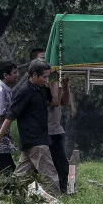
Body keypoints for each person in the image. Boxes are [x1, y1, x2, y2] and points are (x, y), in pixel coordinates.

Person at [0, 59, 60, 196]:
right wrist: (0, 135)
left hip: (32, 142)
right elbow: (11, 115)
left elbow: (55, 101)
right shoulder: (25, 91)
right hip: (36, 142)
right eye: (44, 77)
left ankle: (4, 200)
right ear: (34, 75)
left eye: (48, 77)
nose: (47, 80)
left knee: (19, 179)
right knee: (50, 176)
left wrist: (55, 78)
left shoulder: (40, 89)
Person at [30, 47, 72, 194]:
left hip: (55, 128)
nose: (46, 61)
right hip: (44, 130)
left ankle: (61, 192)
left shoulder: (52, 79)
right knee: (43, 166)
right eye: (42, 58)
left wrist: (65, 85)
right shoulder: (42, 83)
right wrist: (55, 79)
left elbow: (64, 103)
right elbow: (54, 101)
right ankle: (47, 193)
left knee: (61, 165)